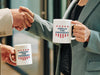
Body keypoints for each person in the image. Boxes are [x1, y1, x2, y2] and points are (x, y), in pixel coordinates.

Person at [9, 0, 100, 75]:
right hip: (65, 70)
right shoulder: (74, 2)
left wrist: (90, 36)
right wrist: (32, 21)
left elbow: (87, 36)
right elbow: (62, 35)